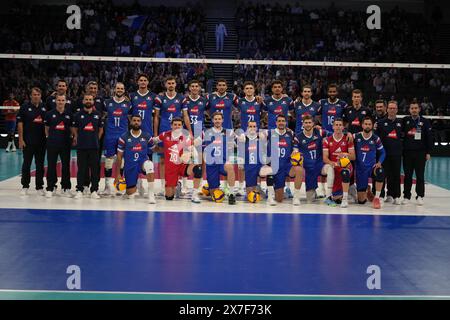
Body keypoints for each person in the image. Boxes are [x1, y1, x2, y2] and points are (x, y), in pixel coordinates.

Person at [154, 76, 192, 194]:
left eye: (173, 83)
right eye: (169, 83)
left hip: (179, 130)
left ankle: (183, 185)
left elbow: (185, 115)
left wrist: (189, 131)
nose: (171, 85)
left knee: (182, 158)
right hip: (165, 130)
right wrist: (156, 134)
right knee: (162, 159)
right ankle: (163, 185)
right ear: (165, 85)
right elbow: (156, 116)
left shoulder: (181, 98)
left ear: (176, 84)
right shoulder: (160, 97)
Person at [151, 117, 202, 203]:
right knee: (169, 197)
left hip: (182, 166)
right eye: (175, 125)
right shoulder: (165, 135)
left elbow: (192, 150)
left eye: (179, 125)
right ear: (171, 125)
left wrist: (190, 157)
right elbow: (153, 141)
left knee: (198, 169)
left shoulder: (186, 137)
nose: (177, 126)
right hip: (170, 168)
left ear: (182, 126)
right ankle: (177, 185)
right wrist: (155, 147)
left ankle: (194, 195)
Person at [261, 114, 303, 206]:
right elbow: (258, 136)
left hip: (287, 165)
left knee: (299, 169)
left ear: (286, 122)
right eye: (279, 121)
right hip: (275, 166)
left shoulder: (290, 133)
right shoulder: (269, 133)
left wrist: (295, 152)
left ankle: (296, 197)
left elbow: (296, 147)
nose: (281, 123)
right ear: (276, 123)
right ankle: (270, 195)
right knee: (279, 199)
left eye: (283, 121)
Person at [115, 115, 156, 204]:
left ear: (141, 122)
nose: (136, 122)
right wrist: (118, 174)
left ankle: (151, 195)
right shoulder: (124, 137)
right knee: (130, 195)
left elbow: (154, 148)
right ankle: (137, 183)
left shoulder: (146, 136)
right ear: (131, 122)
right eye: (134, 120)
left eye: (138, 120)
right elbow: (119, 156)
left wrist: (167, 147)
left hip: (142, 163)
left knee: (150, 164)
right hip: (130, 166)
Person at [102, 82, 132, 196]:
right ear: (114, 89)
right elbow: (103, 117)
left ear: (124, 90)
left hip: (123, 135)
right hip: (110, 135)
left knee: (122, 159)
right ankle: (107, 186)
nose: (119, 90)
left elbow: (130, 120)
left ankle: (119, 185)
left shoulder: (128, 104)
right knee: (108, 159)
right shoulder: (107, 103)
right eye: (118, 88)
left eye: (121, 88)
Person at [72, 94, 104, 199]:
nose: (88, 101)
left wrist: (96, 139)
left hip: (94, 146)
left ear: (93, 101)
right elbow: (74, 128)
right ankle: (79, 189)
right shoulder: (78, 115)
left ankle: (94, 190)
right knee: (81, 169)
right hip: (81, 146)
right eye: (86, 99)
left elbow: (101, 129)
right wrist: (76, 137)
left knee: (95, 169)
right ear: (83, 101)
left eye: (90, 99)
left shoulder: (98, 115)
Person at [401, 99, 433, 205]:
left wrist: (428, 152)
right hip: (407, 153)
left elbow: (429, 137)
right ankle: (406, 196)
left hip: (420, 153)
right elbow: (401, 136)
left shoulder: (425, 121)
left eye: (416, 108)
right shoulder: (405, 120)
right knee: (408, 175)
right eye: (412, 108)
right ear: (409, 110)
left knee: (420, 175)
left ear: (419, 109)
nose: (414, 110)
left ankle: (420, 195)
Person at [17, 87, 47, 195]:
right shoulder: (24, 107)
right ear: (30, 96)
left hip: (41, 142)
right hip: (28, 141)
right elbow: (20, 123)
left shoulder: (44, 108)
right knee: (26, 164)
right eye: (34, 94)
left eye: (38, 95)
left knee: (40, 165)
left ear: (40, 96)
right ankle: (25, 186)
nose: (36, 96)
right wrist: (20, 139)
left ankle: (39, 187)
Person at [203, 112, 237, 205]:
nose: (217, 121)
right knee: (214, 195)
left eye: (219, 119)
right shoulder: (207, 132)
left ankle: (231, 194)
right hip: (211, 164)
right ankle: (208, 187)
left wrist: (235, 142)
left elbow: (238, 142)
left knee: (230, 167)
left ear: (222, 120)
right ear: (213, 120)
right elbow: (198, 144)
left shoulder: (229, 132)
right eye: (216, 119)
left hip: (223, 162)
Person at [236, 81, 263, 196]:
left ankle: (259, 186)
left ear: (254, 90)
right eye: (246, 88)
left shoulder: (259, 102)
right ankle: (241, 186)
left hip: (256, 134)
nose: (249, 90)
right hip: (243, 135)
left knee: (257, 161)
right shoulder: (240, 101)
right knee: (241, 163)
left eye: (251, 88)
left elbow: (267, 112)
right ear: (244, 90)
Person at [322, 118, 356, 208]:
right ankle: (330, 196)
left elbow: (353, 157)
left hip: (344, 165)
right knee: (336, 199)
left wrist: (345, 154)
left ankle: (345, 199)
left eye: (340, 125)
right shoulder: (327, 140)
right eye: (336, 125)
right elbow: (325, 157)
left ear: (343, 127)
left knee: (345, 172)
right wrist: (331, 163)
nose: (338, 127)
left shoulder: (347, 139)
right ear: (333, 127)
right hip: (333, 165)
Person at [353, 117, 386, 209]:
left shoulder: (376, 138)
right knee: (361, 201)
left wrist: (379, 162)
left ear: (372, 126)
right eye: (366, 124)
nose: (367, 126)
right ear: (362, 125)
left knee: (380, 172)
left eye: (369, 124)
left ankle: (377, 198)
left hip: (372, 168)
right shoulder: (355, 136)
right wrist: (346, 133)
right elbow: (343, 137)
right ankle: (367, 189)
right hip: (360, 169)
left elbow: (383, 152)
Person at [44, 94, 73, 198]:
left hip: (65, 144)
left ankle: (66, 188)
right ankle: (51, 187)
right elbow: (46, 128)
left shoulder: (69, 114)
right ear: (55, 101)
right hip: (52, 144)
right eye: (59, 100)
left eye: (62, 100)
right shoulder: (49, 114)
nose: (60, 102)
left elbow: (71, 129)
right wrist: (51, 137)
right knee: (51, 166)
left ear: (65, 102)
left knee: (66, 166)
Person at [375, 100, 403, 204]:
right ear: (387, 110)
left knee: (395, 175)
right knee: (382, 174)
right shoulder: (381, 123)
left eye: (394, 108)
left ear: (397, 110)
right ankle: (381, 195)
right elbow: (376, 139)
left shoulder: (401, 123)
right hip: (383, 154)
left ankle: (394, 195)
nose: (392, 110)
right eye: (390, 108)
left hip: (396, 154)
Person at [294, 115, 327, 203]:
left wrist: (347, 133)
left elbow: (335, 133)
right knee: (310, 200)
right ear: (303, 124)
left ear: (313, 123)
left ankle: (330, 195)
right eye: (306, 123)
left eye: (309, 122)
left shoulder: (319, 132)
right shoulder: (298, 137)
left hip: (319, 163)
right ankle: (313, 189)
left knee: (331, 169)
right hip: (307, 165)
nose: (308, 124)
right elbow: (295, 151)